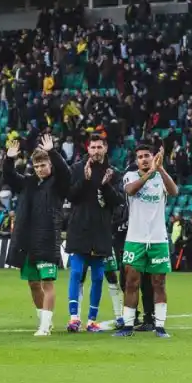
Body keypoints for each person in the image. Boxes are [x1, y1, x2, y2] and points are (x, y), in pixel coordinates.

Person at [3, 134, 70, 336]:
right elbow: (9, 177)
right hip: (27, 242)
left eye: (44, 165)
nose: (41, 169)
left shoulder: (59, 184)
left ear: (50, 164)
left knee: (47, 283)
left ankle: (45, 326)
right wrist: (9, 159)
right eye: (37, 166)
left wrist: (52, 151)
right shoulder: (29, 183)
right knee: (33, 283)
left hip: (48, 239)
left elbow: (66, 172)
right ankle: (44, 320)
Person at [115, 143, 178, 338]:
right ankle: (127, 326)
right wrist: (150, 173)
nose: (143, 159)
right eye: (140, 156)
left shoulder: (161, 176)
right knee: (131, 283)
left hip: (158, 239)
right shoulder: (131, 176)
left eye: (147, 155)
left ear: (153, 157)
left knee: (159, 283)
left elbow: (174, 191)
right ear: (136, 161)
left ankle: (160, 327)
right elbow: (130, 190)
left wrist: (160, 169)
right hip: (135, 238)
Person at [65, 134, 122, 332]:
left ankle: (91, 320)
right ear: (87, 149)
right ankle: (74, 318)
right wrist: (86, 180)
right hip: (79, 229)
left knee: (98, 277)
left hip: (101, 232)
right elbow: (70, 195)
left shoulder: (113, 173)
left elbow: (118, 202)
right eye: (93, 147)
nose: (96, 151)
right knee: (76, 273)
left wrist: (105, 186)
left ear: (105, 149)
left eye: (100, 147)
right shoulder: (77, 169)